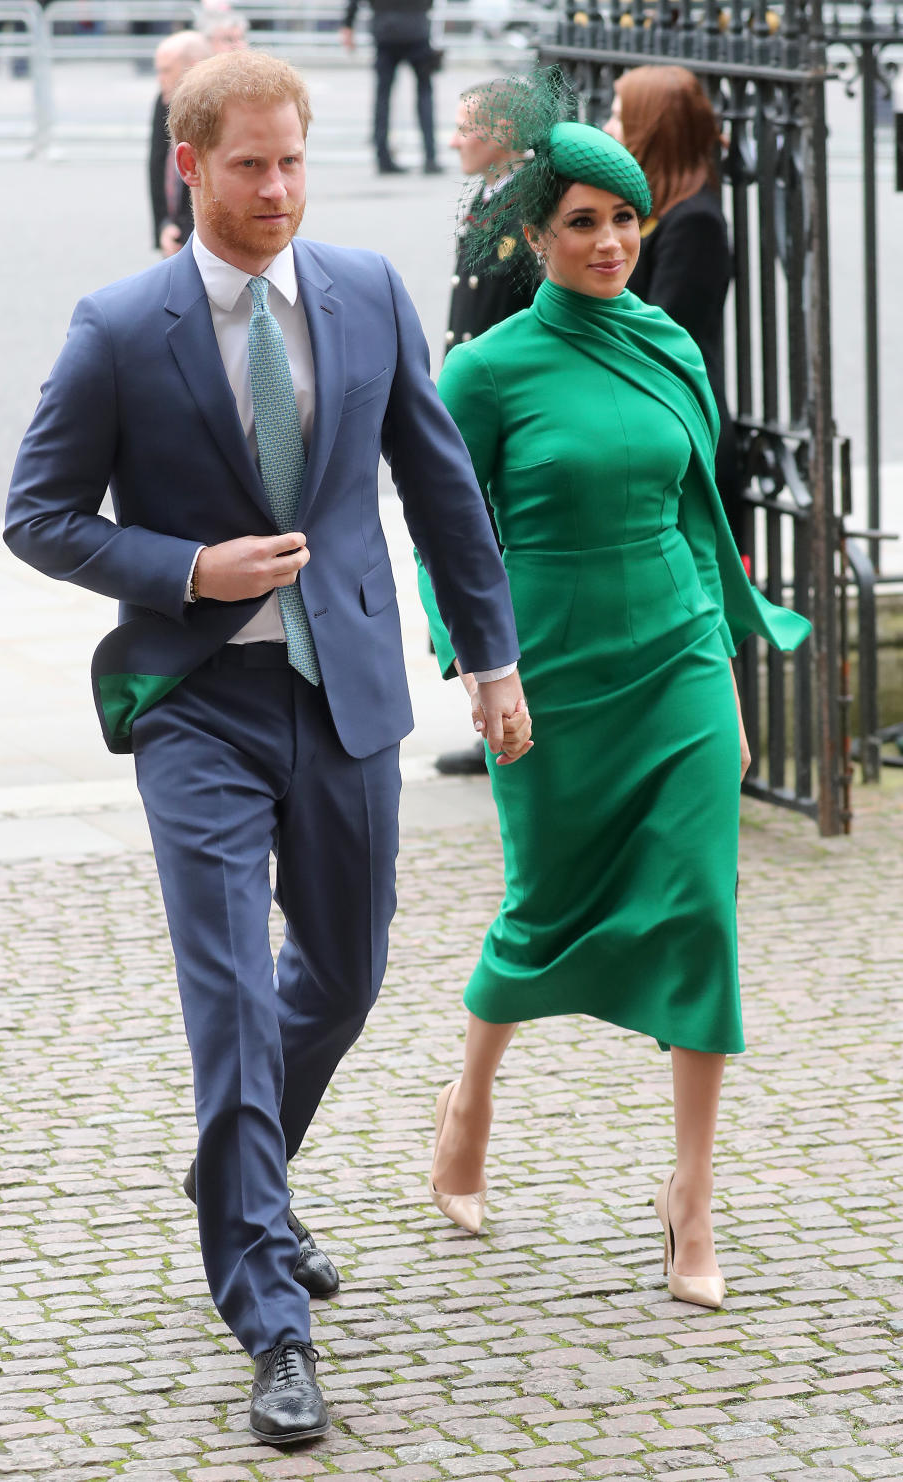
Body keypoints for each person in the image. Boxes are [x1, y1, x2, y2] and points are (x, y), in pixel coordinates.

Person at [4, 50, 531, 1445]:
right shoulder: (120, 325)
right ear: (191, 166)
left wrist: (491, 655)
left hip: (347, 697)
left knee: (345, 972)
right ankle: (269, 1312)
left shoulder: (364, 293)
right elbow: (39, 515)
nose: (276, 189)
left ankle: (231, 1181)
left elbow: (437, 478)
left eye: (292, 160)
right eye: (248, 165)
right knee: (233, 997)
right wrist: (191, 565)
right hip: (199, 708)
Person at [417, 76, 810, 1309]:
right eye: (583, 222)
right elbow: (445, 530)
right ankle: (470, 1097)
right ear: (534, 236)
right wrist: (478, 669)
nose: (610, 243)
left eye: (625, 221)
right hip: (552, 675)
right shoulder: (489, 372)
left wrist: (730, 670)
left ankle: (691, 1197)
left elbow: (698, 518)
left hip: (678, 654)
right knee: (543, 908)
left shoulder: (670, 343)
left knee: (701, 911)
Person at [437, 77, 541, 777]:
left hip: (504, 404)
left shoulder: (524, 204)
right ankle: (490, 711)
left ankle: (504, 715)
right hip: (472, 396)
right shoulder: (486, 198)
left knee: (490, 556)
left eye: (467, 128)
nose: (454, 141)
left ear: (504, 133)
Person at [605, 65, 745, 556]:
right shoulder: (652, 211)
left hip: (681, 435)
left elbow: (662, 337)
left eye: (620, 117)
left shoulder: (696, 221)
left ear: (652, 128)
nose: (608, 128)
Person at [339, 0, 441, 174]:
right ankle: (430, 157)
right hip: (416, 29)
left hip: (385, 31)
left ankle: (382, 157)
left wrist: (348, 25)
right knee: (424, 94)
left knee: (382, 98)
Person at [148, 30, 213, 256]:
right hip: (176, 230)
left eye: (166, 70)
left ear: (192, 67)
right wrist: (163, 225)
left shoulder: (221, 107)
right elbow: (156, 166)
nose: (160, 78)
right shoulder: (164, 99)